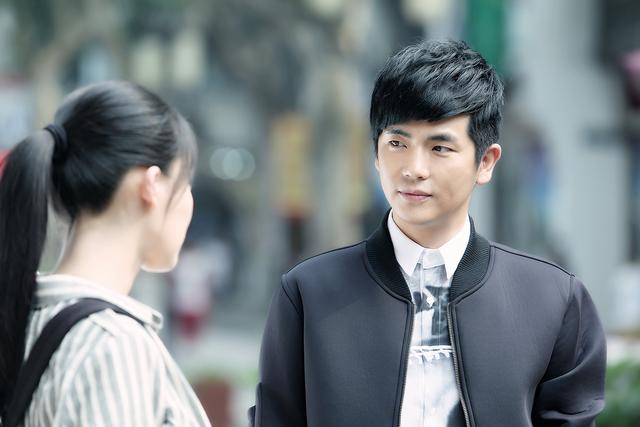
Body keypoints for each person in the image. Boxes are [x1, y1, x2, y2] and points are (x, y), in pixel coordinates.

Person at [250, 40, 606, 426]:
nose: (413, 169)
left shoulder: (553, 299)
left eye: (439, 148)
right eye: (397, 143)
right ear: (376, 153)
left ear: (485, 162)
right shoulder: (308, 293)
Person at [0, 81, 212, 426]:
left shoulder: (25, 316)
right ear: (152, 185)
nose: (189, 202)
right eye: (185, 184)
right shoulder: (115, 344)